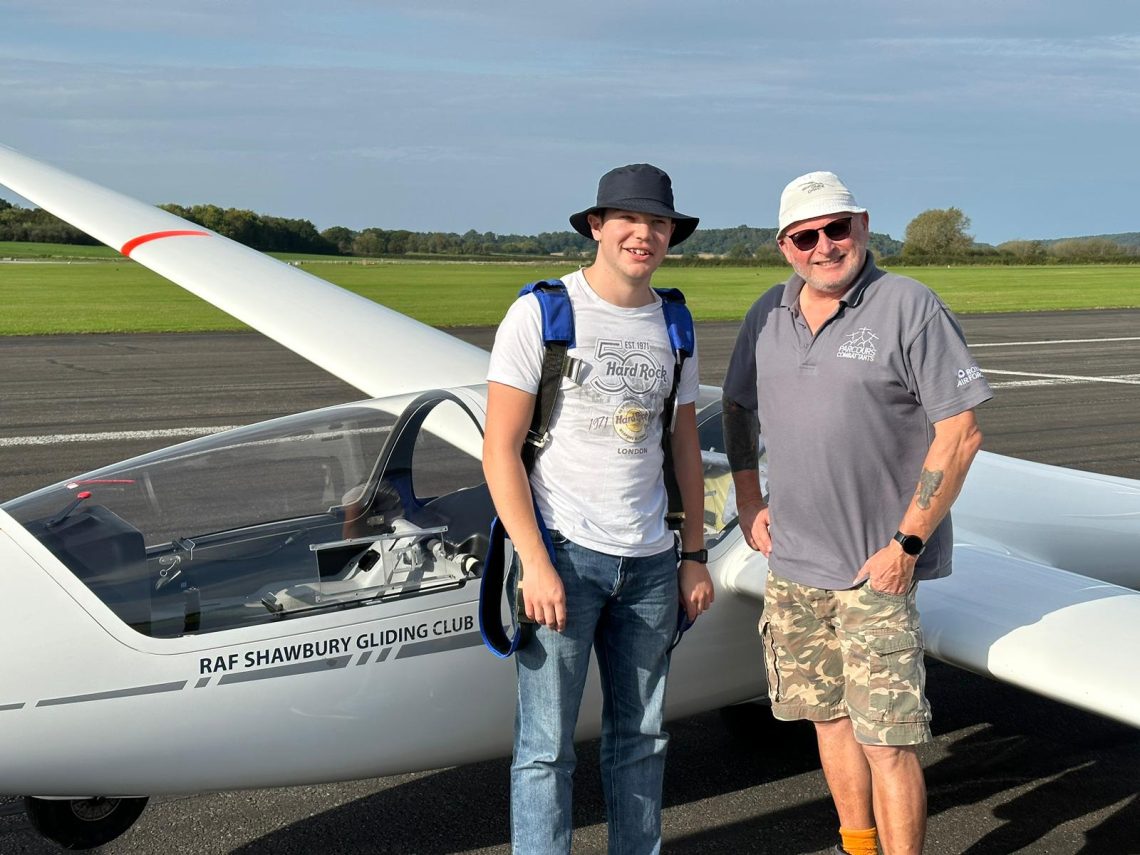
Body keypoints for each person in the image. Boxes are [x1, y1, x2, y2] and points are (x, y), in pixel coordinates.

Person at [722, 171, 992, 855]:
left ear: (862, 226)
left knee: (888, 742)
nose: (824, 246)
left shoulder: (909, 305)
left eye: (836, 228)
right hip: (793, 568)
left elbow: (960, 433)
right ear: (784, 246)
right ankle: (857, 845)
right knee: (829, 721)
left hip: (875, 571)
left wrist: (907, 545)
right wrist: (749, 500)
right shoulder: (767, 313)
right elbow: (736, 404)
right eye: (805, 236)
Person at [483, 163, 715, 854]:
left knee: (641, 738)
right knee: (546, 746)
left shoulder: (674, 321)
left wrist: (694, 554)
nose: (644, 234)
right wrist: (534, 562)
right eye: (629, 220)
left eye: (659, 223)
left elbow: (683, 445)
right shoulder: (542, 312)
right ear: (596, 226)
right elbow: (499, 450)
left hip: (650, 563)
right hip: (563, 553)